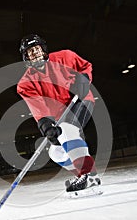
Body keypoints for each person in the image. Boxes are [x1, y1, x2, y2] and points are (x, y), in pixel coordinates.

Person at [17, 34, 101, 192]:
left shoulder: (66, 57)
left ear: (43, 49)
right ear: (26, 57)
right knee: (56, 152)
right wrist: (46, 124)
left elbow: (85, 66)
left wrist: (84, 78)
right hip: (58, 115)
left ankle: (88, 174)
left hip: (81, 101)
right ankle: (82, 174)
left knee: (67, 129)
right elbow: (39, 108)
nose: (35, 53)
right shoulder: (25, 84)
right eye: (30, 52)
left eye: (37, 49)